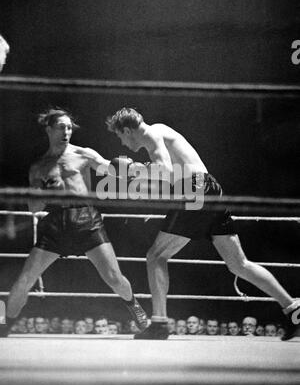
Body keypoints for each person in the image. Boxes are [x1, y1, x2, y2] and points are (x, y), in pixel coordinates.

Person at [106, 107, 300, 340]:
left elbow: (166, 173)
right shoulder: (160, 132)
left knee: (155, 256)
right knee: (239, 264)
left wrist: (136, 170)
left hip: (196, 190)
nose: (123, 144)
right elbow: (170, 179)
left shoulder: (151, 135)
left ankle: (159, 323)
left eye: (120, 137)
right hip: (209, 188)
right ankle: (293, 309)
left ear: (127, 130)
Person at [0, 108, 148, 337]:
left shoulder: (83, 154)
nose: (67, 131)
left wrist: (131, 168)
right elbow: (34, 209)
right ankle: (6, 325)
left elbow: (110, 169)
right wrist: (44, 190)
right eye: (61, 127)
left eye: (69, 127)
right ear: (49, 129)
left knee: (114, 278)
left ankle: (138, 312)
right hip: (56, 224)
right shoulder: (39, 167)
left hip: (86, 220)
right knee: (25, 279)